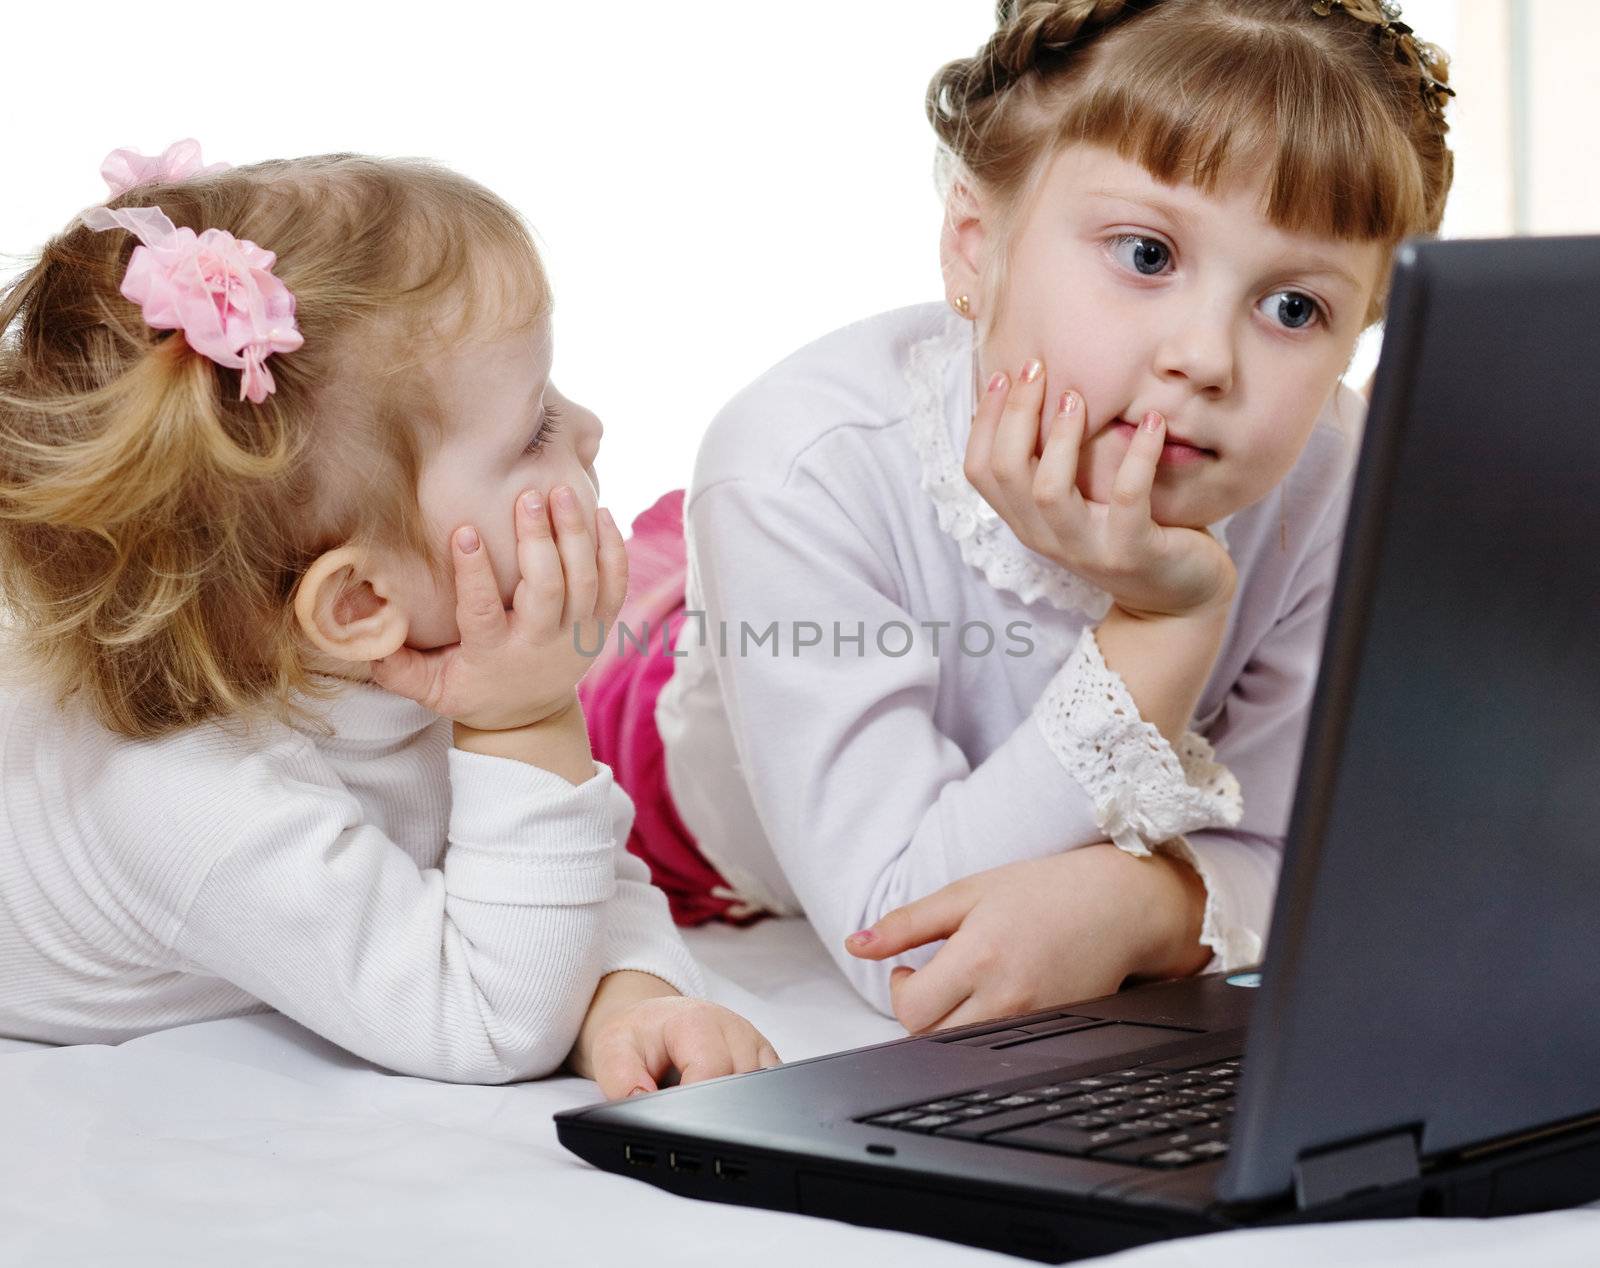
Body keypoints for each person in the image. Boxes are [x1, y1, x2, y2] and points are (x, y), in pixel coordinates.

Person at [583, 0, 1455, 1033]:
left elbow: (1318, 861)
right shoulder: (790, 468)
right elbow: (912, 944)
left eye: (1294, 308)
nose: (1207, 358)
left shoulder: (1328, 476)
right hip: (686, 725)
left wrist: (1146, 906)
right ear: (971, 246)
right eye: (1145, 255)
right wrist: (1163, 623)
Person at [0, 142, 778, 1095]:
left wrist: (633, 996)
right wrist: (524, 720)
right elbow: (493, 1019)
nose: (592, 428)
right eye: (534, 428)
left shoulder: (419, 647)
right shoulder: (195, 807)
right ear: (360, 601)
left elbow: (567, 867)